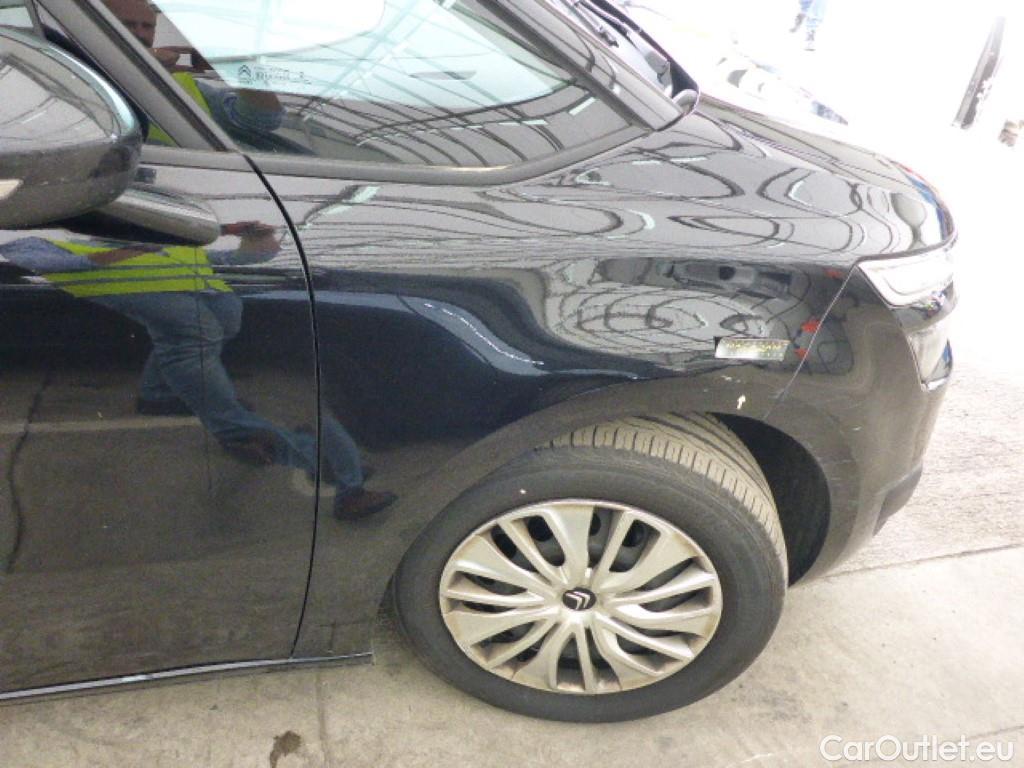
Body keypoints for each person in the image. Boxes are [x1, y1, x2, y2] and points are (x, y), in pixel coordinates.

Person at [1, 227, 396, 520]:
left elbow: (223, 261)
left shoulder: (154, 240)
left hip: (193, 312)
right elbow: (55, 263)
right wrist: (136, 247)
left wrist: (255, 246)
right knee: (205, 356)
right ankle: (340, 480)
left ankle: (159, 396)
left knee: (215, 326)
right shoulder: (39, 240)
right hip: (178, 323)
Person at [102, 0, 284, 145]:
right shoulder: (89, 76)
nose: (141, 34)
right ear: (99, 24)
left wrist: (238, 66)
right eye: (128, 25)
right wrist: (135, 68)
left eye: (148, 26)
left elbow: (263, 119)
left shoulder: (181, 81)